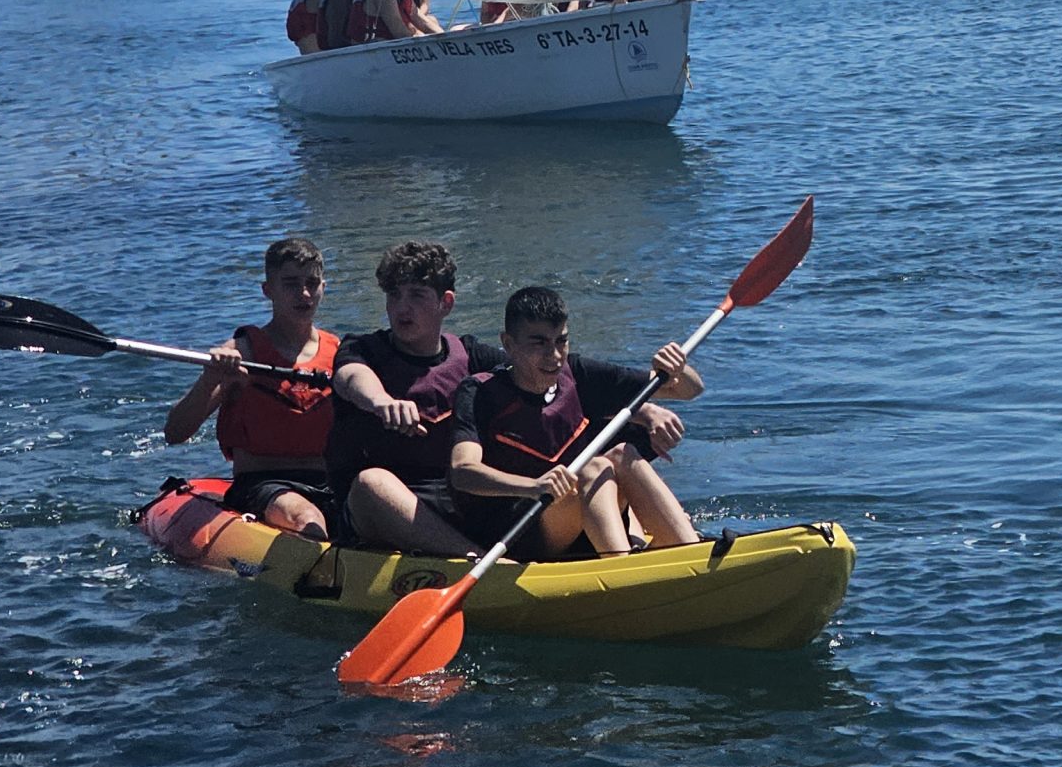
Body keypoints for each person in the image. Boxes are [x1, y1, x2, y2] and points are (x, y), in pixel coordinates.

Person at [448, 286, 703, 559]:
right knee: (594, 467)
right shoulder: (479, 393)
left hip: (577, 512)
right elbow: (463, 471)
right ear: (509, 344)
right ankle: (621, 566)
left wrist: (677, 367)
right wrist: (534, 486)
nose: (555, 355)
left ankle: (690, 550)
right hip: (515, 529)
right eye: (539, 343)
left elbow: (689, 389)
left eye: (561, 341)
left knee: (623, 454)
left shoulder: (577, 373)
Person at [327, 241, 505, 555]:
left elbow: (535, 371)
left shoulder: (474, 356)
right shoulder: (362, 349)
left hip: (455, 501)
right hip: (376, 509)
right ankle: (479, 561)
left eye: (416, 295)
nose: (401, 308)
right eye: (394, 295)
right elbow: (350, 377)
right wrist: (381, 401)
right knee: (371, 483)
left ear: (445, 303)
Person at [163, 237, 338, 538]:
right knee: (308, 518)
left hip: (329, 480)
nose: (304, 293)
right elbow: (175, 432)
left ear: (324, 287)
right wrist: (210, 379)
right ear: (268, 290)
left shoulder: (340, 352)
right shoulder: (243, 352)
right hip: (263, 482)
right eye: (291, 284)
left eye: (312, 283)